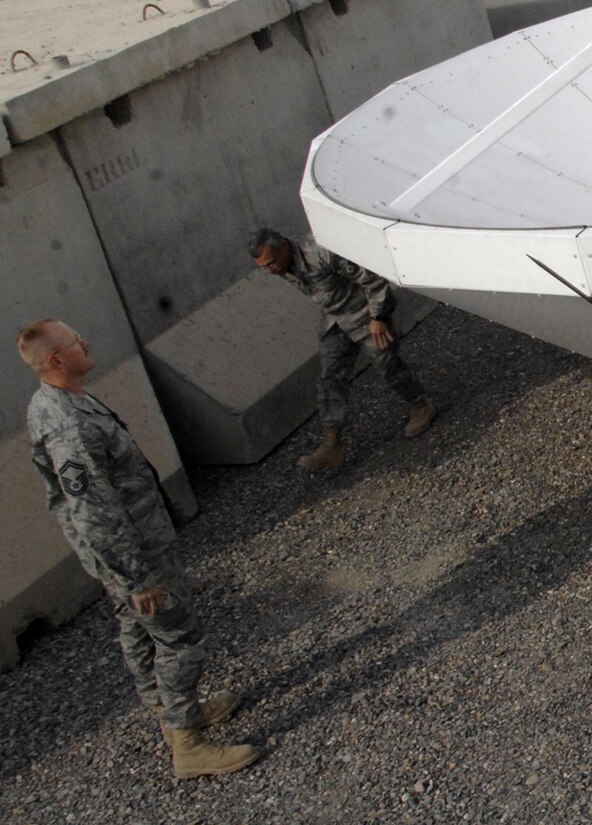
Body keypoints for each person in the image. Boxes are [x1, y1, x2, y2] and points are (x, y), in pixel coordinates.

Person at [17, 320, 263, 781]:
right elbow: (91, 507)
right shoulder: (67, 426)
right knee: (178, 638)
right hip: (135, 554)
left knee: (137, 630)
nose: (85, 342)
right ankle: (188, 744)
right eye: (75, 342)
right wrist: (136, 578)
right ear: (56, 360)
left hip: (121, 553)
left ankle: (170, 713)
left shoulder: (59, 400)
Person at [250, 228, 436, 471]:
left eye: (271, 263)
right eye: (263, 268)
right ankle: (332, 445)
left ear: (284, 246)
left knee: (388, 365)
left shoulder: (320, 253)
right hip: (336, 321)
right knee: (331, 379)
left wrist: (378, 316)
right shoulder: (285, 266)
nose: (269, 271)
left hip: (366, 315)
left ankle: (421, 405)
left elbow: (373, 279)